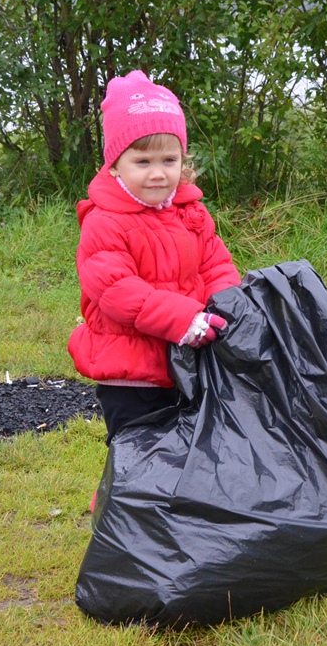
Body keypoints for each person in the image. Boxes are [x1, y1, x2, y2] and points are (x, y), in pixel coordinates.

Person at [68, 70, 241, 446]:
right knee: (136, 463)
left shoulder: (190, 211)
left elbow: (216, 265)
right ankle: (119, 507)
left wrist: (227, 307)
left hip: (187, 362)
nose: (159, 174)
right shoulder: (103, 222)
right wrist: (185, 319)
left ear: (183, 158)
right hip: (132, 375)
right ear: (115, 164)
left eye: (169, 159)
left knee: (186, 456)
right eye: (143, 162)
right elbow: (117, 291)